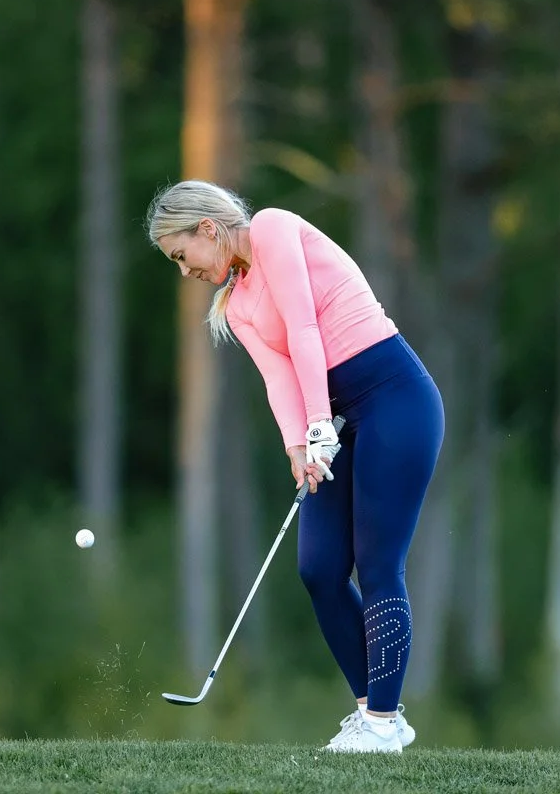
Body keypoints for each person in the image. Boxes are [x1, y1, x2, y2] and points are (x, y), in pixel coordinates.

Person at [145, 180, 445, 754]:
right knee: (320, 568)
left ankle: (383, 721)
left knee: (379, 562)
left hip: (395, 400)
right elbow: (278, 375)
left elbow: (306, 328)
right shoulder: (234, 306)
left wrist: (316, 425)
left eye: (181, 257)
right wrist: (297, 447)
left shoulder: (274, 228)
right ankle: (372, 713)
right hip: (330, 422)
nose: (184, 272)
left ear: (208, 229)